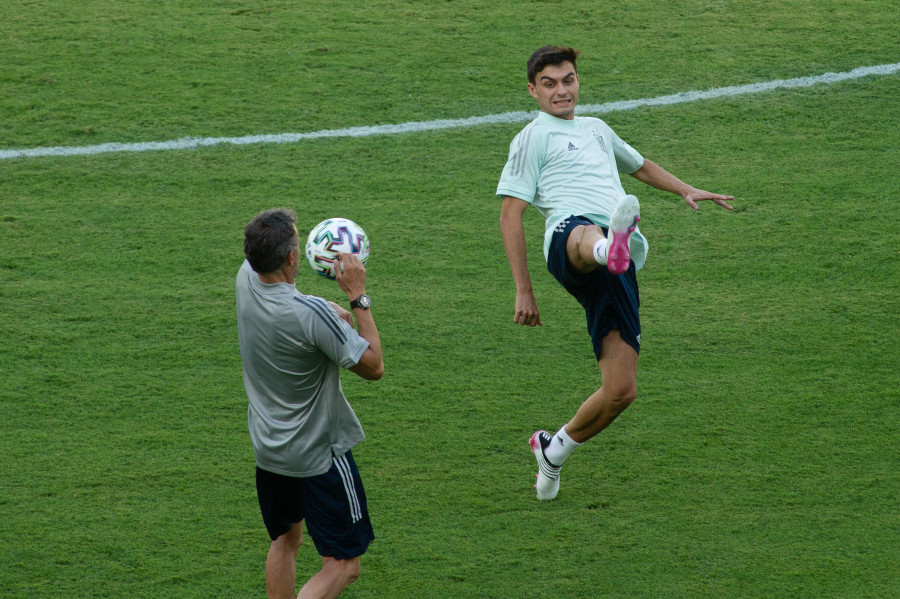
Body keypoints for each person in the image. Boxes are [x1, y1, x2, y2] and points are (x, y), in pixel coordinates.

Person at [497, 46, 734, 500]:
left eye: (568, 80)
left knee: (621, 390)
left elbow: (639, 165)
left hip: (614, 267)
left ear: (577, 82)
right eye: (549, 84)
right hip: (571, 241)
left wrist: (686, 189)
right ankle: (610, 245)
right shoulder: (532, 137)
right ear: (533, 91)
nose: (561, 90)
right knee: (587, 230)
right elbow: (511, 214)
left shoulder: (597, 129)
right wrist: (523, 291)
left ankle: (553, 449)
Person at [235, 208, 384, 598]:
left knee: (285, 541)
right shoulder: (310, 314)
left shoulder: (246, 278)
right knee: (344, 566)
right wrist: (356, 297)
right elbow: (373, 366)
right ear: (290, 259)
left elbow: (287, 299)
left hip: (270, 448)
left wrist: (323, 310)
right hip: (318, 456)